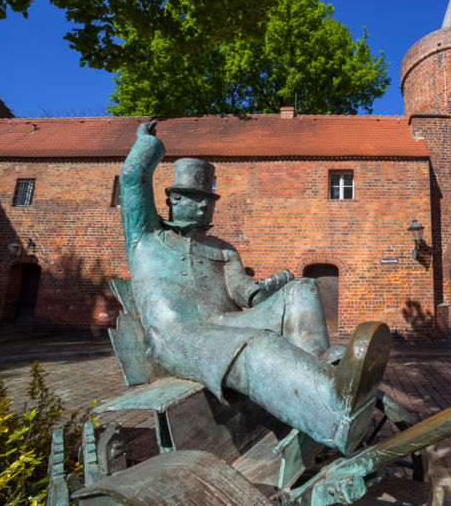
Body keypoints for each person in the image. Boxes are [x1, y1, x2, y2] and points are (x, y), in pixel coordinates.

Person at [119, 121, 390, 454]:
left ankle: (319, 367)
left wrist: (278, 283)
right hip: (177, 336)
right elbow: (133, 178)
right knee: (256, 344)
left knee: (302, 288)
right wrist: (147, 143)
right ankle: (333, 417)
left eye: (209, 200)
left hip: (224, 323)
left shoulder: (222, 249)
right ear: (173, 198)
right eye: (195, 198)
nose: (205, 206)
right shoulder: (145, 238)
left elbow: (249, 295)